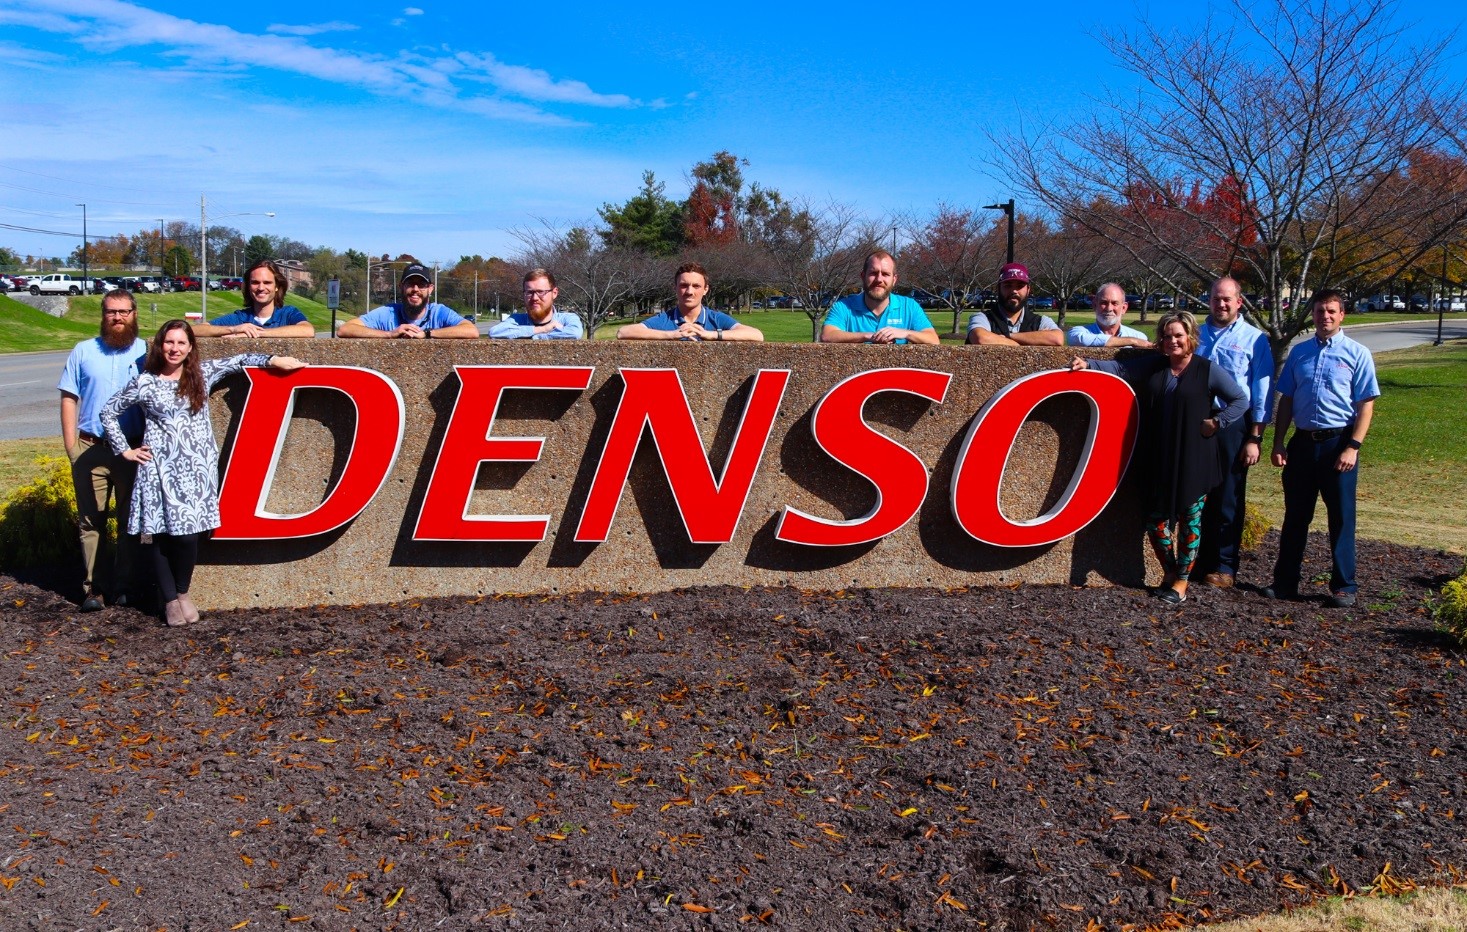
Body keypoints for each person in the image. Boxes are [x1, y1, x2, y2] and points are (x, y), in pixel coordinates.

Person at [100, 320, 306, 627]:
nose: (174, 349)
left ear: (190, 348)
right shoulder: (145, 382)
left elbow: (238, 361)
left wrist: (274, 360)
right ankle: (170, 601)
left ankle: (183, 593)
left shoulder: (201, 375)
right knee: (158, 536)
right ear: (160, 345)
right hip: (159, 470)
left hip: (196, 470)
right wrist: (125, 450)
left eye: (181, 343)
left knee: (188, 537)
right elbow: (108, 412)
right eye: (169, 342)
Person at [1071, 310, 1247, 604]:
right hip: (1159, 453)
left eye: (1178, 335)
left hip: (1195, 457)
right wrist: (1088, 363)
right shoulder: (1155, 366)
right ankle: (1169, 570)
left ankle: (1181, 582)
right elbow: (1121, 369)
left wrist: (1218, 422)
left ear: (1190, 337)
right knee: (1156, 521)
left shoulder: (1208, 370)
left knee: (1190, 521)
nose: (1173, 341)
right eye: (1167, 336)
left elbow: (1240, 399)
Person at [1263, 289, 1379, 608]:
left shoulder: (1357, 354)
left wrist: (1353, 446)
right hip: (1301, 444)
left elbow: (1365, 404)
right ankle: (1285, 583)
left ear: (1342, 315)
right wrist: (1278, 442)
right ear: (1312, 314)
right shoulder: (1300, 354)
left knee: (1341, 518)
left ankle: (1344, 586)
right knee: (1296, 517)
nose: (1324, 316)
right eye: (1319, 311)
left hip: (1338, 445)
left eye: (1331, 311)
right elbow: (1286, 399)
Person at [58, 289, 148, 611]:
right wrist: (72, 448)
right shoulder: (83, 351)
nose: (117, 317)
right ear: (103, 314)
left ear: (134, 314)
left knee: (128, 521)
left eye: (124, 311)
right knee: (90, 521)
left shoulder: (148, 352)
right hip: (90, 448)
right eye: (111, 311)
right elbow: (69, 397)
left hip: (132, 450)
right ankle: (93, 589)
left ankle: (123, 585)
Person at [1194, 277, 1273, 589]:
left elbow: (1262, 390)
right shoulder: (1194, 334)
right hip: (1196, 422)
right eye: (1216, 298)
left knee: (1228, 496)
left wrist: (1255, 437)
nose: (1221, 304)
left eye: (1227, 299)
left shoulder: (1255, 339)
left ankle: (1224, 566)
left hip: (1233, 423)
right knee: (1197, 494)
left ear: (1239, 302)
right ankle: (1196, 561)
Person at [617, 262, 763, 341]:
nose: (689, 291)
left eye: (696, 286)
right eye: (683, 285)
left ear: (705, 290)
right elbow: (623, 332)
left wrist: (711, 335)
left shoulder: (715, 319)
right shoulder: (665, 319)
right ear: (675, 288)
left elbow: (756, 335)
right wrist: (672, 335)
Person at [819, 250, 939, 345]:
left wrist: (904, 333)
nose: (879, 279)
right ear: (863, 276)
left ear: (894, 280)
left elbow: (933, 340)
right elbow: (827, 336)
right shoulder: (843, 307)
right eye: (873, 273)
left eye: (885, 274)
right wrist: (869, 336)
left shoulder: (909, 306)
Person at [338, 263, 479, 339]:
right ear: (401, 287)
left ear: (430, 289)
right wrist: (389, 334)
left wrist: (427, 334)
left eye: (421, 284)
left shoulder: (439, 312)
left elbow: (471, 331)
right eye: (410, 283)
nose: (415, 289)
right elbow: (345, 329)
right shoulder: (388, 312)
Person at [191, 259, 315, 339]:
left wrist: (256, 333)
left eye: (267, 282)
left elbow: (308, 330)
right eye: (255, 282)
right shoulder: (240, 318)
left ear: (277, 286)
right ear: (248, 286)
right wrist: (233, 329)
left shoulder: (288, 313)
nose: (261, 288)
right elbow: (194, 330)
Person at [967, 263, 1063, 346]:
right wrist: (1019, 345)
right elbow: (980, 338)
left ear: (1028, 290)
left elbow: (1057, 338)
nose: (1014, 291)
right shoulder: (983, 318)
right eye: (1008, 286)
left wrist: (1008, 336)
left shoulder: (1040, 321)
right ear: (998, 288)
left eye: (1020, 286)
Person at [487, 269, 584, 339]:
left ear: (554, 293)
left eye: (541, 292)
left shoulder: (567, 319)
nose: (535, 298)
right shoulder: (517, 320)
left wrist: (537, 337)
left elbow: (574, 334)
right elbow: (494, 332)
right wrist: (542, 329)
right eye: (529, 292)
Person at [1066, 284, 1153, 348]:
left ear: (1124, 308)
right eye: (1104, 303)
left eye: (1115, 303)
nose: (1109, 308)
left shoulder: (1139, 336)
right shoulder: (1078, 332)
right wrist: (1132, 341)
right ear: (1094, 305)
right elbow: (1079, 340)